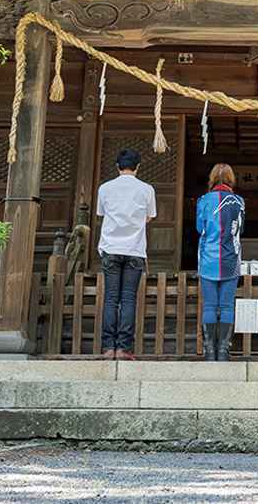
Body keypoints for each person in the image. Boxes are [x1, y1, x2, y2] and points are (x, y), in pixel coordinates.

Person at [95, 148, 156, 360]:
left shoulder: (105, 188)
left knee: (111, 298)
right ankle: (123, 348)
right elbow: (150, 216)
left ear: (117, 166)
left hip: (110, 247)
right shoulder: (146, 189)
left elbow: (101, 213)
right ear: (137, 167)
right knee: (129, 298)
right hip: (134, 249)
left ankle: (108, 347)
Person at [195, 163, 245, 361]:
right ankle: (223, 351)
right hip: (231, 259)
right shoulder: (239, 202)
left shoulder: (203, 201)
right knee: (226, 306)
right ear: (231, 179)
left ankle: (209, 352)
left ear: (212, 179)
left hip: (209, 258)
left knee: (209, 306)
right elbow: (241, 229)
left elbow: (200, 228)